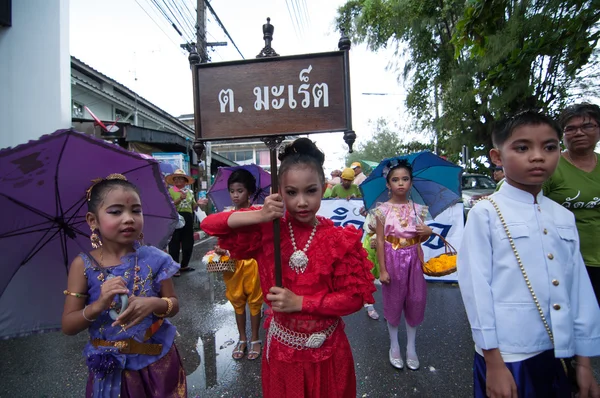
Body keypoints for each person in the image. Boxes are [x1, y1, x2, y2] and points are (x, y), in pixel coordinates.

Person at [200, 138, 376, 398]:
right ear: (279, 192)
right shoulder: (268, 230)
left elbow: (353, 300)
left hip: (329, 353)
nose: (301, 202)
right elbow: (210, 225)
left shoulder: (339, 239)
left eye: (311, 191)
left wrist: (301, 302)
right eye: (291, 192)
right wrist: (259, 215)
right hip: (283, 353)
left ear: (324, 188)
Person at [457, 111, 600, 398]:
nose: (538, 156)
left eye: (549, 147)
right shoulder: (486, 213)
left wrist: (584, 361)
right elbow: (476, 289)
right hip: (509, 354)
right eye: (522, 148)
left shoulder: (562, 215)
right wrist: (493, 361)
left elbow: (579, 287)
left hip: (558, 349)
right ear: (497, 157)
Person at [62, 174, 186, 397]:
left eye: (136, 210)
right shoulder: (83, 265)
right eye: (115, 211)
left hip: (158, 362)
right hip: (110, 372)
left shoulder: (156, 258)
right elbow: (68, 325)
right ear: (93, 220)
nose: (129, 218)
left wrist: (154, 304)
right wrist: (99, 305)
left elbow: (173, 305)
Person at [374, 159, 432, 371]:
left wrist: (428, 233)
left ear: (411, 182)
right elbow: (380, 240)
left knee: (416, 299)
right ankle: (394, 346)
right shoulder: (382, 210)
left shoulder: (419, 210)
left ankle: (411, 347)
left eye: (405, 179)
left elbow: (419, 238)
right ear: (388, 184)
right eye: (395, 179)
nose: (401, 183)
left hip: (414, 260)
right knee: (394, 301)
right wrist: (382, 268)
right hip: (392, 258)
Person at [544, 102, 600, 308]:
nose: (579, 133)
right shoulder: (548, 167)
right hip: (562, 259)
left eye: (587, 126)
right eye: (570, 128)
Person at [215, 168, 264, 360]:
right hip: (233, 265)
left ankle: (255, 339)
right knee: (237, 301)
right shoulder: (225, 215)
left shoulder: (258, 213)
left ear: (249, 192)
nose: (235, 195)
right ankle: (242, 338)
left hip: (252, 263)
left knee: (254, 301)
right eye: (232, 191)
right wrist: (221, 249)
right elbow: (223, 242)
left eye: (240, 191)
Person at [166, 169, 198, 276]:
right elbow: (168, 206)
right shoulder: (170, 191)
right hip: (175, 217)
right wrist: (179, 199)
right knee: (174, 243)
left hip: (188, 218)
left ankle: (184, 265)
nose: (178, 180)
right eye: (176, 179)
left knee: (188, 242)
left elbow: (192, 207)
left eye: (181, 178)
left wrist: (199, 204)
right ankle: (174, 268)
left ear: (185, 181)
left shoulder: (190, 192)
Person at [361, 209, 381, 320]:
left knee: (388, 277)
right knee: (367, 275)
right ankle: (369, 305)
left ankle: (391, 310)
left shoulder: (397, 205)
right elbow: (371, 222)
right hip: (370, 241)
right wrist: (366, 213)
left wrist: (380, 237)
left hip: (387, 242)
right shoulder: (373, 199)